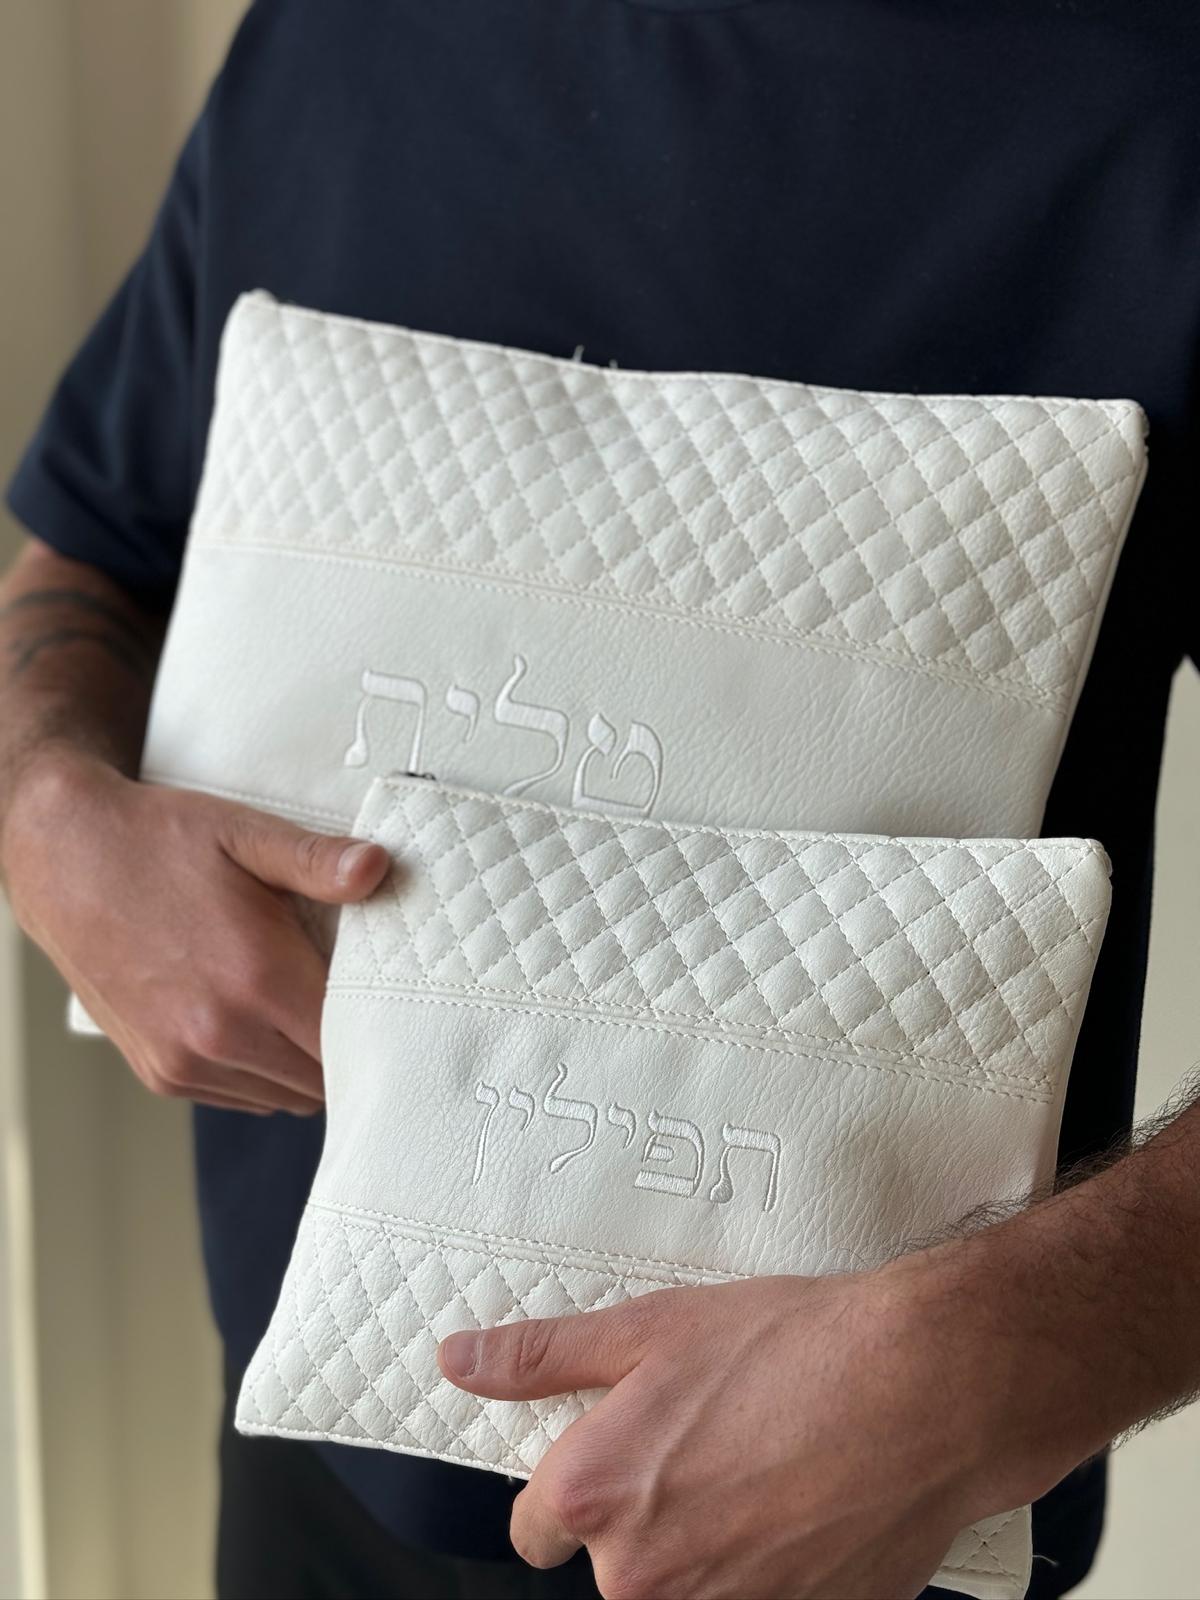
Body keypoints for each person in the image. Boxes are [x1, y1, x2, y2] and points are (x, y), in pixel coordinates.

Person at [1, 3, 1197, 1596]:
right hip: (314, 1460)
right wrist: (41, 808)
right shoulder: (340, 40)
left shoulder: (1154, 98)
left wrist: (986, 1358)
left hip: (856, 1532)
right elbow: (96, 546)